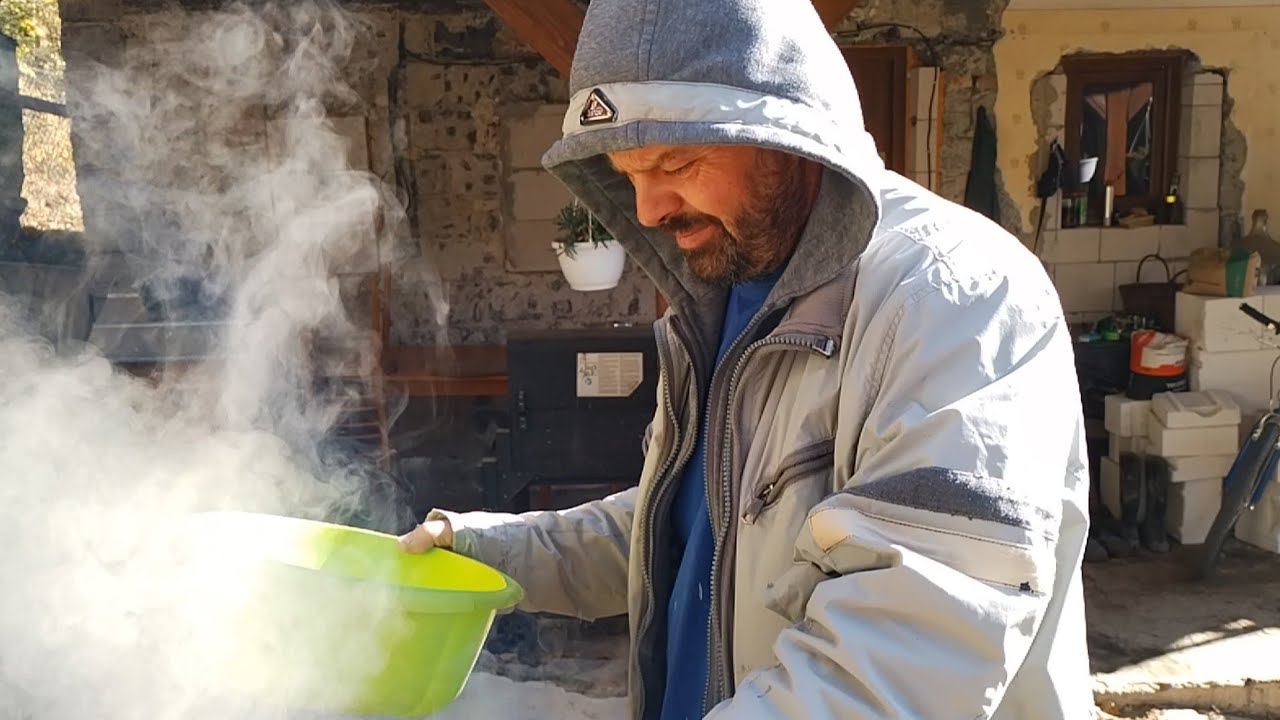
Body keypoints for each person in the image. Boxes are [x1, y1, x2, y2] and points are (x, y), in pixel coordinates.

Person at [399, 0, 1093, 717]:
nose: (646, 209)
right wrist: (485, 550)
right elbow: (692, 523)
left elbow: (898, 664)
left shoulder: (956, 297)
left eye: (677, 162)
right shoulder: (729, 291)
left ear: (788, 136)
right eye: (626, 172)